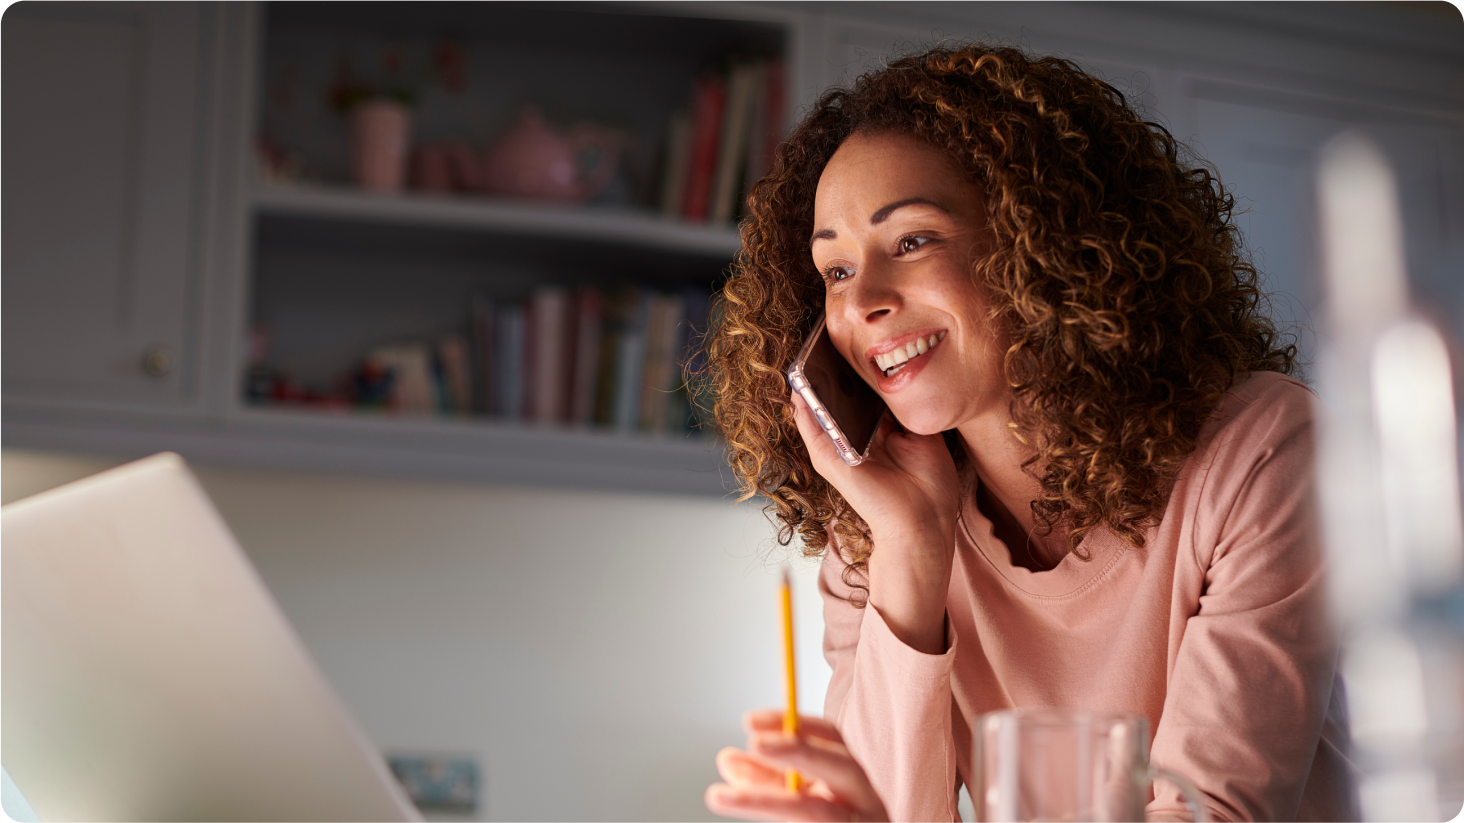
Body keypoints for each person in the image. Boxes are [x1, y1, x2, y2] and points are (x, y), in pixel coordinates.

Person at [701, 43, 1354, 823]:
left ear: (1045, 246)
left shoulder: (1263, 450)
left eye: (911, 241)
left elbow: (1209, 811)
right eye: (835, 272)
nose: (862, 300)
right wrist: (911, 549)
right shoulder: (873, 534)